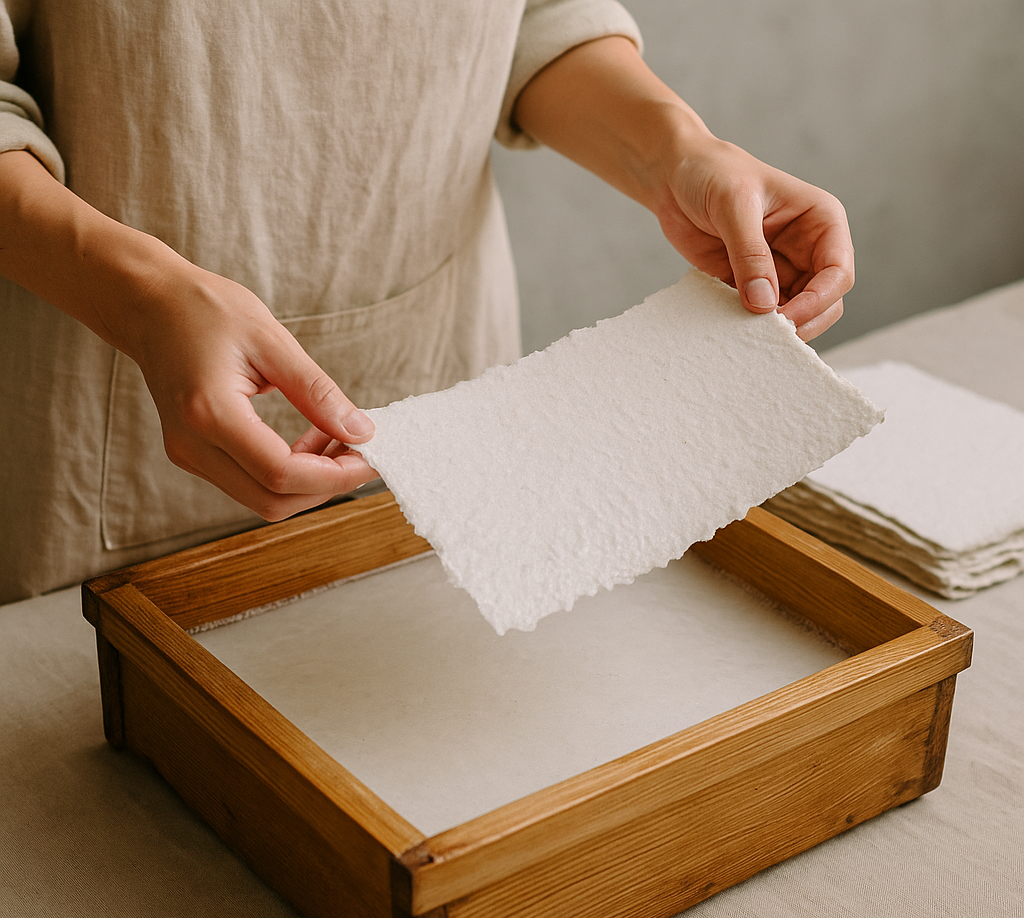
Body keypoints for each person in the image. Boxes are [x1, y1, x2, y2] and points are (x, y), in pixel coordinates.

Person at [0, 1, 853, 605]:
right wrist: (146, 301)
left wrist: (676, 153)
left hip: (448, 383)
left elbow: (525, 19)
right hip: (102, 398)